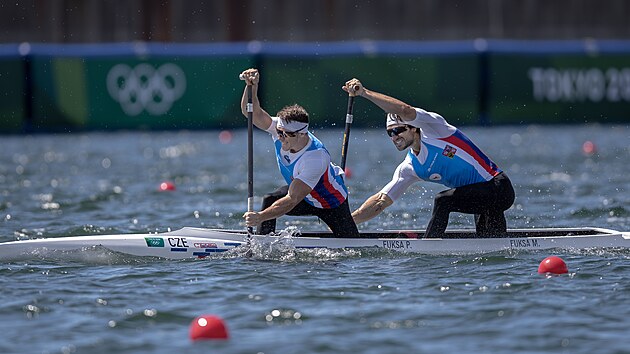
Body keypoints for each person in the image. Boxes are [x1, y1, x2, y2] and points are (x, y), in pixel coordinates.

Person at [342, 78, 515, 238]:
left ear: (414, 128)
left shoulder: (436, 130)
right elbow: (381, 201)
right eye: (390, 133)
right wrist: (346, 223)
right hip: (478, 197)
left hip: (498, 187)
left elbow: (404, 110)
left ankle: (429, 246)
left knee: (443, 201)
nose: (394, 137)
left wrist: (364, 93)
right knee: (492, 245)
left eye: (398, 130)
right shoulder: (409, 168)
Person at [239, 68, 360, 238]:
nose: (280, 137)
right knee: (270, 200)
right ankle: (260, 244)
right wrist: (251, 86)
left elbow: (292, 200)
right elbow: (251, 113)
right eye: (279, 132)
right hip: (305, 195)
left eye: (285, 134)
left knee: (352, 245)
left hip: (331, 203)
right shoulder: (280, 130)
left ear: (302, 134)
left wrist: (259, 217)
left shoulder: (315, 157)